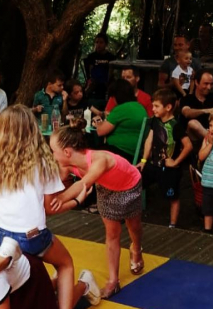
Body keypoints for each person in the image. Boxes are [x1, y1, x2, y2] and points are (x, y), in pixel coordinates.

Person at [0, 105, 86, 309]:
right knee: (65, 264)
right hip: (30, 236)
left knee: (35, 261)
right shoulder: (43, 162)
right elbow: (51, 208)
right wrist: (77, 201)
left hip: (0, 232)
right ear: (32, 130)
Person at [50, 122, 144, 299]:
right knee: (112, 233)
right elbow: (55, 181)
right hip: (106, 188)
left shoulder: (99, 159)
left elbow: (83, 184)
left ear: (67, 152)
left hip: (129, 186)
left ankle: (136, 249)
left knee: (133, 226)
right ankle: (113, 281)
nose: (52, 155)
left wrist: (61, 199)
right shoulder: (67, 164)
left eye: (53, 151)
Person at [138, 88, 193, 228]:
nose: (153, 109)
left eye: (156, 106)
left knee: (173, 196)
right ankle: (130, 216)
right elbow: (149, 140)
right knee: (135, 185)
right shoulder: (154, 121)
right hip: (153, 164)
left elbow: (188, 146)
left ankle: (172, 225)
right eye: (153, 105)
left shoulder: (176, 126)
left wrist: (175, 162)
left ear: (168, 107)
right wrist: (144, 160)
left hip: (170, 169)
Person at [93, 79, 147, 161]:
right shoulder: (140, 107)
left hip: (119, 151)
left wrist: (98, 124)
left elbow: (101, 132)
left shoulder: (121, 109)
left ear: (116, 96)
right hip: (135, 153)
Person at [179, 69, 213, 144]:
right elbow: (187, 113)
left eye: (211, 84)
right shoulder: (187, 99)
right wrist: (206, 111)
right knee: (193, 123)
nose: (209, 87)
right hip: (192, 139)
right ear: (196, 82)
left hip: (211, 132)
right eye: (206, 84)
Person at [83, 33, 115, 99]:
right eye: (97, 42)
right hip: (94, 82)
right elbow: (89, 71)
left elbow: (112, 72)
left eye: (101, 42)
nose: (98, 45)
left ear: (106, 44)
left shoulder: (111, 57)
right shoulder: (91, 56)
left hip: (107, 82)